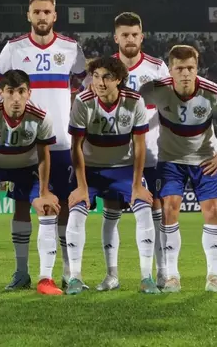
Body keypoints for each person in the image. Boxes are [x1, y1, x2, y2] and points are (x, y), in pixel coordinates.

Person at [0, 0, 87, 290]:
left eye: (47, 12)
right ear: (29, 15)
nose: (42, 16)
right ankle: (21, 272)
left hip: (61, 144)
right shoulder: (13, 48)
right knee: (22, 204)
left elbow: (84, 83)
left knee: (64, 206)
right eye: (37, 12)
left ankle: (68, 273)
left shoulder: (71, 48)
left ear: (54, 15)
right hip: (23, 145)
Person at [139, 45, 217, 293]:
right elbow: (130, 104)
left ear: (197, 68)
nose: (186, 73)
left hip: (204, 159)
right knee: (169, 209)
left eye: (190, 68)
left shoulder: (211, 91)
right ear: (170, 70)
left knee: (213, 211)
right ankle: (172, 277)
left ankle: (213, 277)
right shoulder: (156, 89)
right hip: (170, 160)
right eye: (180, 68)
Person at [82, 12, 171, 290]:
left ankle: (161, 273)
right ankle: (112, 275)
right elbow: (87, 105)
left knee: (155, 208)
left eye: (134, 34)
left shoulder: (157, 68)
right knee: (111, 209)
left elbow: (169, 108)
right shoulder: (103, 69)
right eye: (124, 35)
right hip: (114, 155)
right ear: (116, 38)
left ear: (142, 37)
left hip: (151, 152)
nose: (130, 39)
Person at [0, 69, 61, 295]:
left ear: (29, 93)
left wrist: (44, 191)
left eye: (21, 91)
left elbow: (44, 154)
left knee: (47, 207)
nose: (16, 98)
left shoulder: (41, 116)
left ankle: (45, 279)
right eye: (10, 91)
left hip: (26, 166)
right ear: (0, 93)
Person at [65, 56, 157, 295]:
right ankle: (75, 278)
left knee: (144, 209)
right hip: (90, 169)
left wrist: (137, 184)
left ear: (118, 79)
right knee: (76, 212)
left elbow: (139, 146)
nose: (100, 82)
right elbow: (76, 147)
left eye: (106, 77)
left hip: (123, 168)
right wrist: (82, 187)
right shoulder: (83, 101)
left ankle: (146, 277)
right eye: (96, 76)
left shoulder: (134, 101)